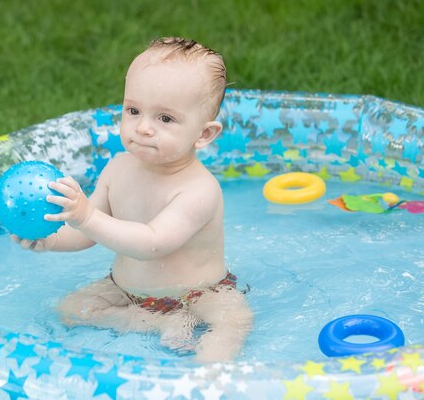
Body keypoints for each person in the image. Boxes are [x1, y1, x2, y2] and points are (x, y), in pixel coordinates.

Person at [13, 37, 253, 362]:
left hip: (201, 292)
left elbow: (151, 243)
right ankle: (158, 323)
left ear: (204, 134)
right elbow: (87, 234)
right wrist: (50, 240)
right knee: (70, 309)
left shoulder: (199, 190)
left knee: (233, 323)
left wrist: (85, 216)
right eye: (133, 110)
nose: (143, 128)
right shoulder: (117, 169)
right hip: (126, 289)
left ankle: (206, 380)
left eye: (165, 119)